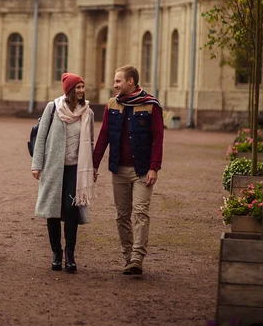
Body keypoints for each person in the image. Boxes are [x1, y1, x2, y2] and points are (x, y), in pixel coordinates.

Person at [93, 65, 164, 275]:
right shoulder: (112, 105)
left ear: (131, 81)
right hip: (119, 170)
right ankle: (127, 256)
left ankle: (137, 258)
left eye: (118, 81)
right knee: (122, 215)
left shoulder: (151, 105)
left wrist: (154, 167)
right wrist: (94, 166)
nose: (114, 85)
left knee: (140, 213)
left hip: (142, 171)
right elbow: (103, 136)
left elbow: (158, 139)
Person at [32, 73, 95, 273]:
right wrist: (36, 165)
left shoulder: (88, 112)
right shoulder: (53, 108)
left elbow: (90, 142)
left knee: (70, 209)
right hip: (53, 167)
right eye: (77, 87)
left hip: (75, 169)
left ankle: (70, 254)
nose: (81, 91)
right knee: (52, 210)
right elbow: (41, 137)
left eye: (82, 87)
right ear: (69, 90)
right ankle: (56, 253)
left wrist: (91, 168)